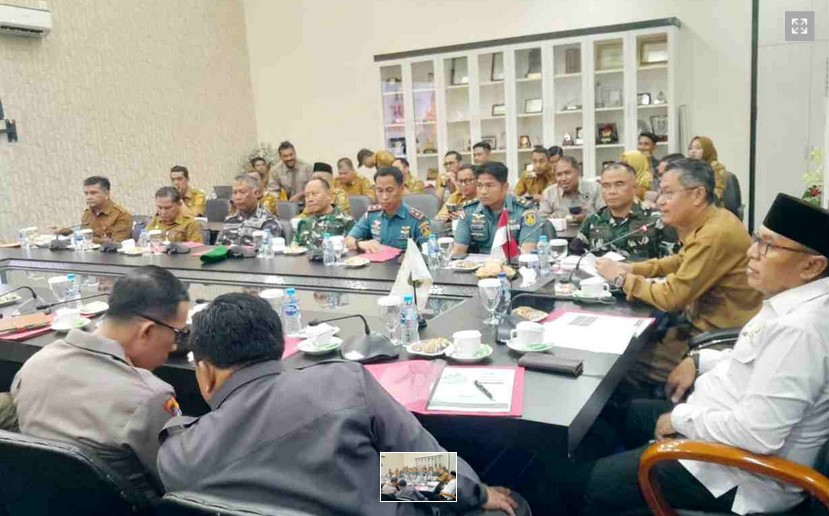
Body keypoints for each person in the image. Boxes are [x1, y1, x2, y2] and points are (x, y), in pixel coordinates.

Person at [562, 193, 829, 516]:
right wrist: (700, 360)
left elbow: (757, 435)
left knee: (572, 487)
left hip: (734, 475)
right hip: (717, 428)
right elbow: (756, 359)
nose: (751, 252)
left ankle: (592, 488)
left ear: (812, 266)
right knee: (618, 412)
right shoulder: (791, 302)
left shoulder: (800, 330)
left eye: (768, 246)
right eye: (757, 239)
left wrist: (680, 420)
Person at [156, 293, 525, 516]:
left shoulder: (179, 457)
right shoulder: (341, 382)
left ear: (204, 372)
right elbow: (418, 465)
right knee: (513, 504)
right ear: (278, 347)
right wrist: (478, 493)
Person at [12, 266, 189, 500]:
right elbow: (183, 484)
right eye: (177, 333)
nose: (175, 345)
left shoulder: (35, 365)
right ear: (146, 332)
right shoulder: (149, 397)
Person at [595, 158, 763, 391]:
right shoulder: (716, 219)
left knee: (618, 361)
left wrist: (621, 279)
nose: (660, 201)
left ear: (697, 195)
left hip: (714, 340)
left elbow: (671, 297)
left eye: (668, 193)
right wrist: (633, 269)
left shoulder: (713, 234)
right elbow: (682, 260)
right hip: (701, 325)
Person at [571, 162, 675, 260]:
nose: (612, 191)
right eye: (606, 186)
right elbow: (575, 258)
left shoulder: (656, 220)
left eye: (619, 184)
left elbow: (671, 264)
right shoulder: (594, 220)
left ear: (634, 188)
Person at [452, 161, 545, 256]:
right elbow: (458, 253)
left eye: (489, 185)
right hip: (480, 264)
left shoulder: (525, 210)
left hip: (513, 262)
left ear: (505, 187)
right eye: (479, 185)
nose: (483, 191)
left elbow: (527, 254)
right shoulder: (469, 210)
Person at [346, 166, 431, 252]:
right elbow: (348, 240)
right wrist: (360, 244)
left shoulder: (417, 220)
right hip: (378, 260)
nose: (384, 197)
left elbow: (430, 251)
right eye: (380, 191)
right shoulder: (372, 215)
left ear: (401, 189)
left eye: (389, 190)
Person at [217, 175, 282, 246]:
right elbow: (218, 247)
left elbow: (266, 249)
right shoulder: (230, 220)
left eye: (242, 192)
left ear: (256, 193)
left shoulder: (268, 221)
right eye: (235, 193)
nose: (238, 197)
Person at [293, 178, 354, 249]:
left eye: (315, 194)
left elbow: (354, 250)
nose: (310, 199)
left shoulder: (346, 221)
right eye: (307, 196)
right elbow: (294, 249)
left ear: (329, 195)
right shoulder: (304, 223)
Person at [538, 156, 604, 222]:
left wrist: (587, 218)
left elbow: (605, 216)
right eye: (559, 175)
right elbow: (542, 222)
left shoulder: (595, 188)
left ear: (578, 172)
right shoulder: (549, 194)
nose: (563, 178)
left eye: (567, 173)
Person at [79, 176, 134, 243]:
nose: (88, 197)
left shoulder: (121, 215)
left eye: (93, 193)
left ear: (106, 194)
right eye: (86, 193)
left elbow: (116, 244)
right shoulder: (87, 214)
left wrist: (91, 240)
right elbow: (83, 239)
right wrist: (101, 240)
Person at [687, 136, 728, 200]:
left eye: (698, 148)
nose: (693, 151)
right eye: (690, 148)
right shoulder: (686, 168)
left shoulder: (716, 168)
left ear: (707, 150)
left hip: (709, 203)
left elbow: (717, 194)